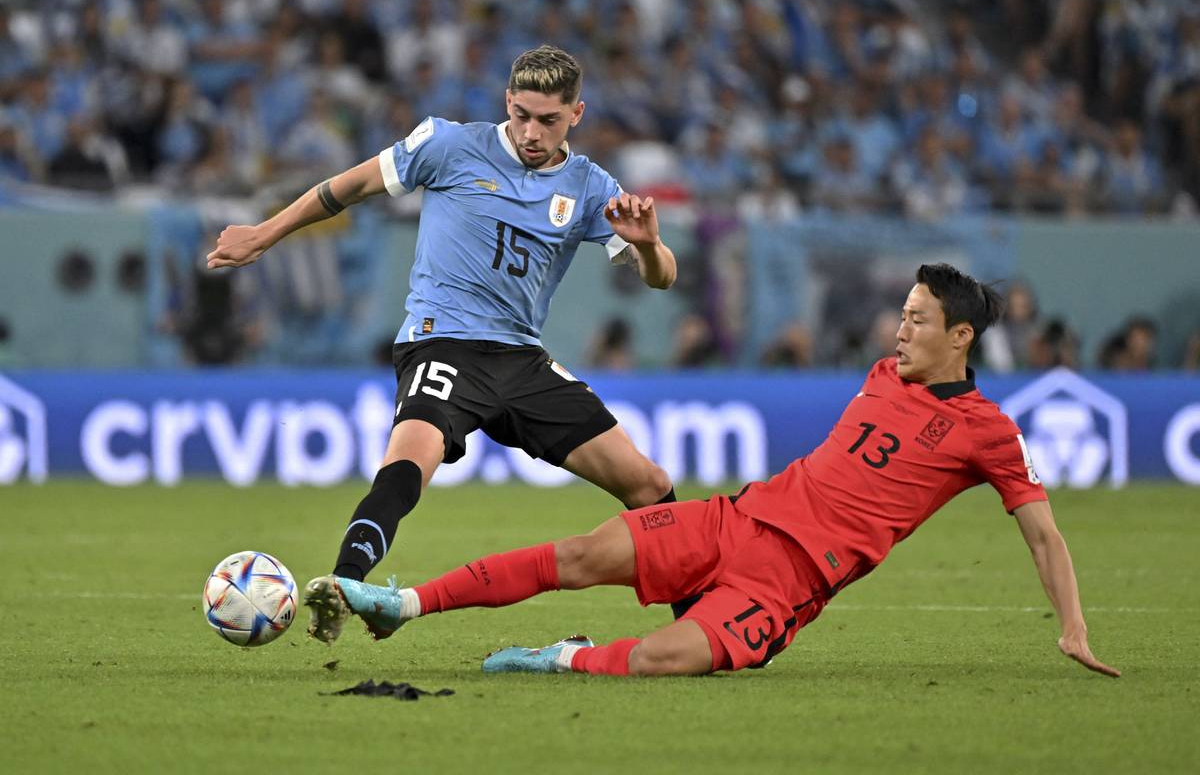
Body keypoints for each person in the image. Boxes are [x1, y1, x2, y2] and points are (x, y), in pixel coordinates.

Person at [317, 264, 1120, 679]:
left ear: (964, 336)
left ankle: (558, 658)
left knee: (664, 662)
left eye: (917, 319)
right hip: (734, 519)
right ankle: (404, 602)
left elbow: (1044, 536)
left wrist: (1073, 626)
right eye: (901, 314)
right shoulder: (882, 374)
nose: (900, 329)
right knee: (583, 554)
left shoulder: (987, 433)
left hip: (785, 586)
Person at [205, 45, 679, 643]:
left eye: (548, 120)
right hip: (443, 343)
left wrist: (646, 245)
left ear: (576, 114)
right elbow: (346, 188)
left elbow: (660, 279)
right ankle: (345, 585)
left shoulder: (589, 187)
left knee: (651, 485)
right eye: (522, 114)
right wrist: (263, 235)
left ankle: (698, 623)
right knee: (408, 465)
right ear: (507, 102)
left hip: (522, 359)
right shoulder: (449, 145)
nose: (532, 132)